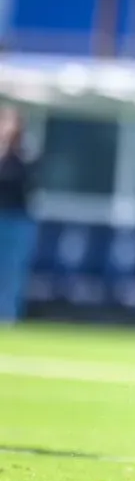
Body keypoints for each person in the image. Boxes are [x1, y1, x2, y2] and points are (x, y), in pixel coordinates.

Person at [0, 107, 37, 324]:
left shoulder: (27, 153)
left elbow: (24, 180)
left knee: (13, 270)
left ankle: (8, 315)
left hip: (17, 219)